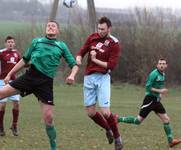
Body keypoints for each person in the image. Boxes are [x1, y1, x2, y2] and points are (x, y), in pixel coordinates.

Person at [0, 21, 79, 150]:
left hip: (45, 83)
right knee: (1, 93)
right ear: (45, 29)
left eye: (53, 26)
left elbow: (74, 64)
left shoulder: (61, 46)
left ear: (58, 31)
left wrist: (72, 75)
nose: (50, 26)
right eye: (48, 25)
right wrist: (9, 74)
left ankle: (53, 147)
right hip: (30, 77)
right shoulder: (36, 42)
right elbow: (24, 59)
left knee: (48, 117)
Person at [76, 16, 123, 150]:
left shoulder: (114, 43)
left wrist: (95, 60)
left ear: (109, 28)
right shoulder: (92, 37)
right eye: (99, 28)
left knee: (106, 113)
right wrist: (78, 59)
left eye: (103, 29)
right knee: (90, 113)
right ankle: (108, 129)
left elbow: (111, 65)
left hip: (103, 78)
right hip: (89, 78)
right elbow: (81, 52)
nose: (100, 31)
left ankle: (117, 137)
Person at [116, 58, 181, 148]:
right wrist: (160, 91)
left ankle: (171, 141)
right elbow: (148, 87)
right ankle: (118, 119)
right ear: (157, 65)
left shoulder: (163, 74)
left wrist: (159, 94)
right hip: (149, 100)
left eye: (163, 63)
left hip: (156, 101)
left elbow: (158, 86)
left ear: (166, 66)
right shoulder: (153, 74)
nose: (162, 65)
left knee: (166, 119)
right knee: (138, 121)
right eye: (160, 63)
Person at [0, 36, 21, 136]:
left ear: (14, 43)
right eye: (8, 42)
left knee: (16, 103)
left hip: (14, 82)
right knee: (2, 105)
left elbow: (22, 63)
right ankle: (0, 127)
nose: (10, 44)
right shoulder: (1, 53)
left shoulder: (17, 53)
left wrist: (32, 64)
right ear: (5, 43)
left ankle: (14, 125)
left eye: (12, 42)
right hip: (2, 81)